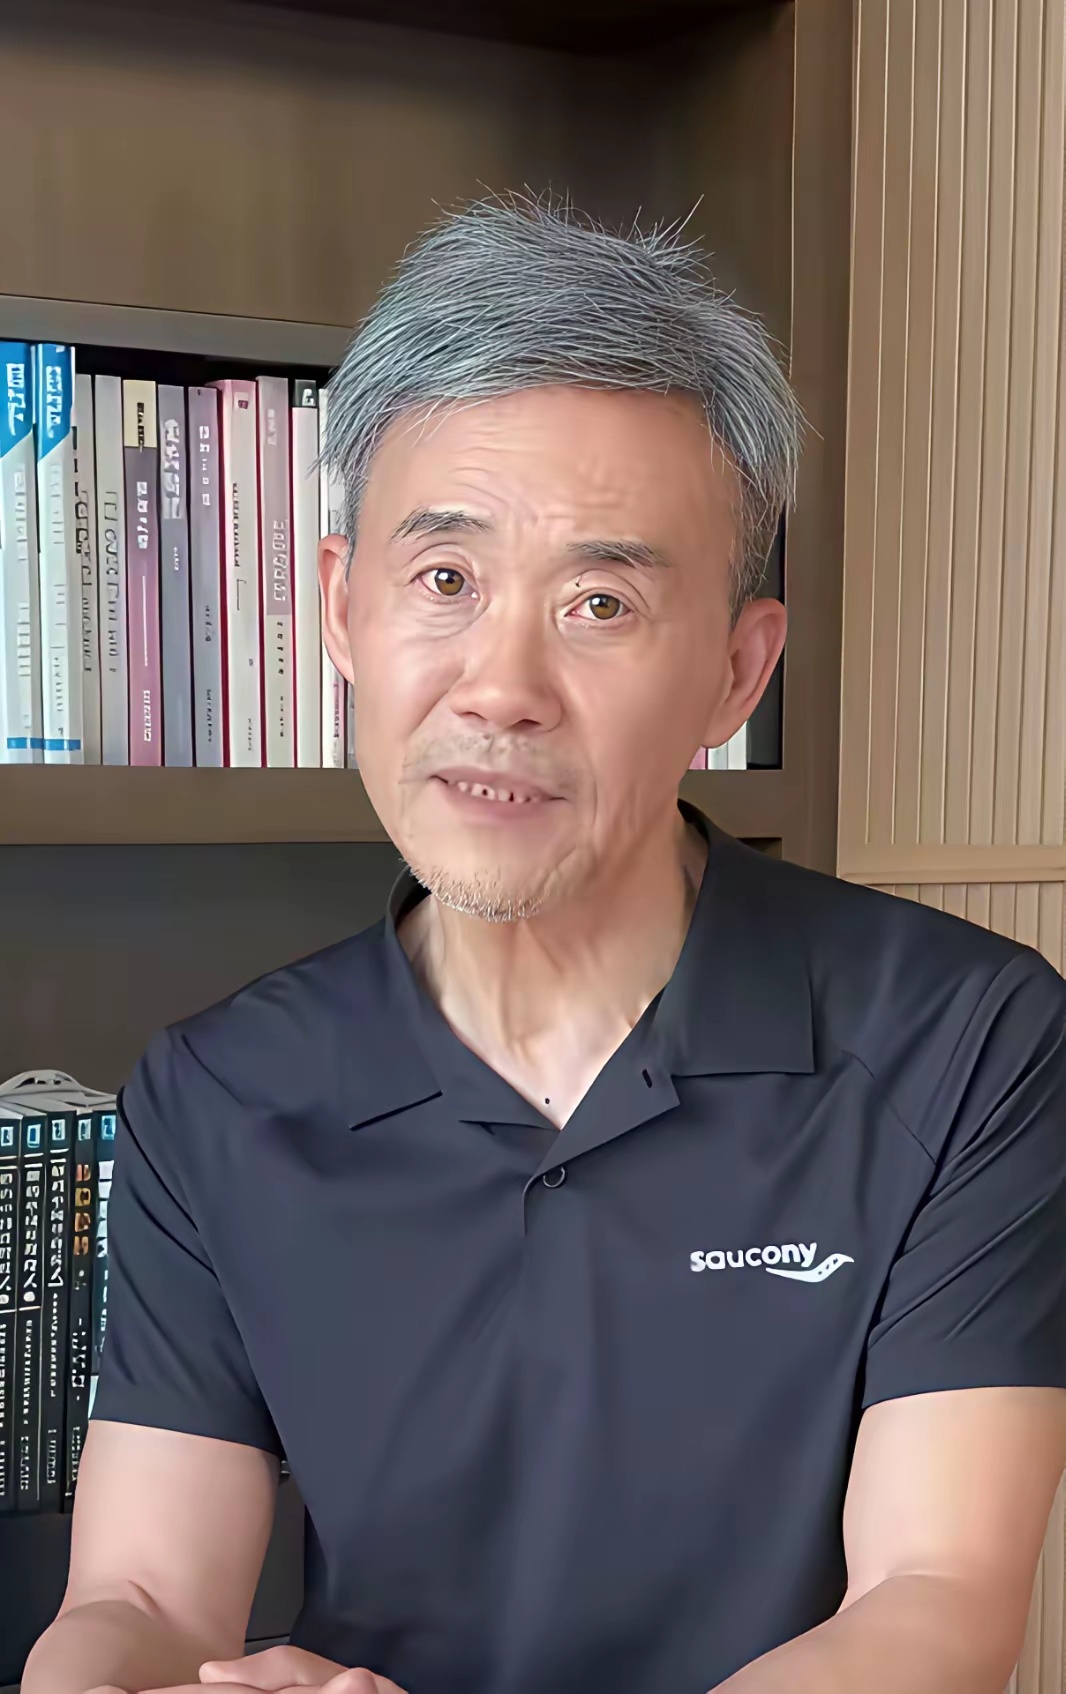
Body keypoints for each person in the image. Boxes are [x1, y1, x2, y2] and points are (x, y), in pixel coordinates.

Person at [23, 191, 1066, 1694]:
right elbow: (138, 1592)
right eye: (445, 580)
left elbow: (936, 1600)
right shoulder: (218, 1092)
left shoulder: (966, 1040)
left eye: (600, 602)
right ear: (342, 610)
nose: (501, 686)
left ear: (737, 671)